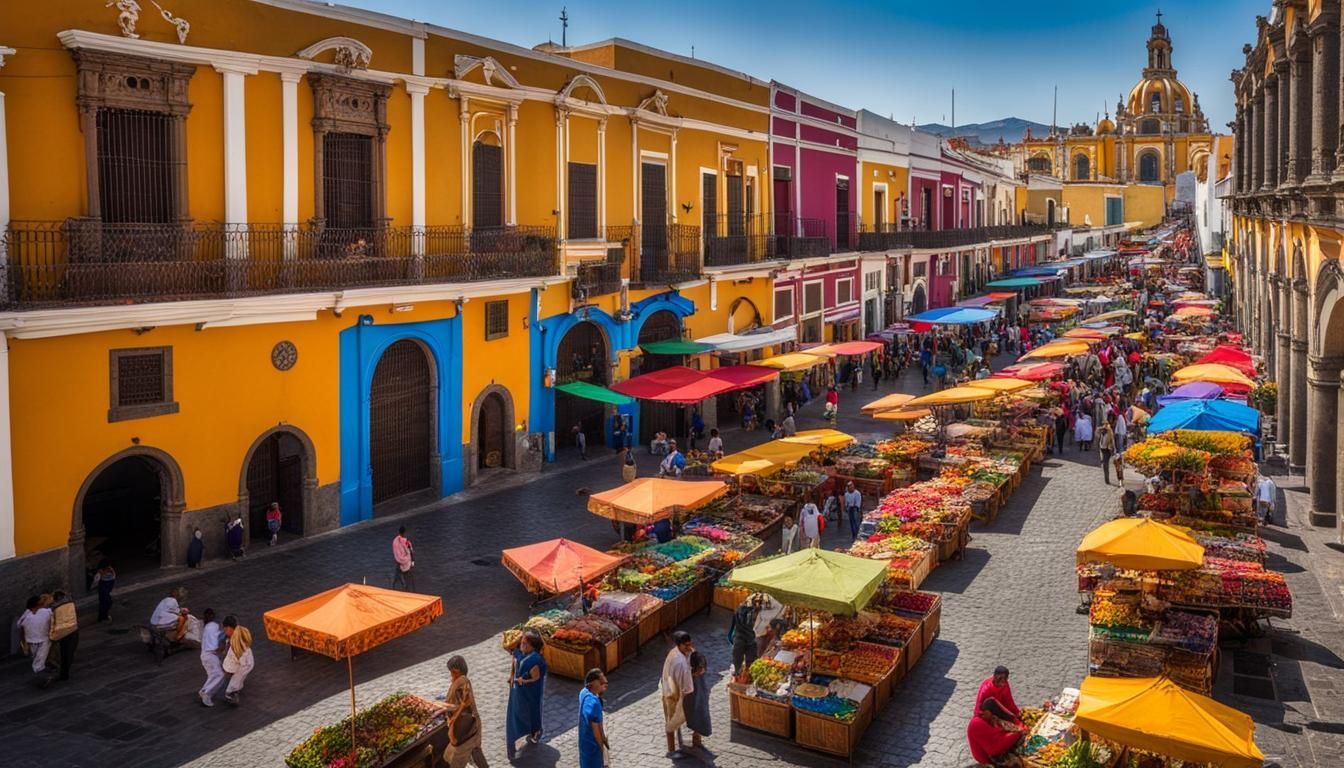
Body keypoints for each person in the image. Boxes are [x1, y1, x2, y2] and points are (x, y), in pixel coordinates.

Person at [505, 629, 547, 759]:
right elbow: (514, 662)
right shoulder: (518, 653)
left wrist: (523, 680)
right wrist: (511, 676)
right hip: (516, 692)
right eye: (522, 642)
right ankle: (512, 744)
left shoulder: (536, 660)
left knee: (531, 712)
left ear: (533, 646)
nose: (522, 645)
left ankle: (535, 731)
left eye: (525, 643)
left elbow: (535, 677)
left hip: (530, 692)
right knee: (514, 717)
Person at [443, 655, 488, 768]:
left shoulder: (462, 681)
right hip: (470, 724)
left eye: (452, 671)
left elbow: (465, 703)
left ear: (456, 670)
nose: (451, 674)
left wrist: (453, 718)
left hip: (466, 726)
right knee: (475, 750)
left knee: (458, 757)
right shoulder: (460, 681)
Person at [661, 631, 695, 756]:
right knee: (673, 721)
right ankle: (671, 750)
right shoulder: (681, 664)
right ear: (679, 645)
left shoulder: (673, 652)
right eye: (686, 645)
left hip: (667, 690)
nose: (689, 647)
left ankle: (672, 747)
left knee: (670, 718)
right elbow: (687, 688)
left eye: (689, 644)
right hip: (677, 695)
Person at [966, 697, 1025, 767]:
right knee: (1016, 763)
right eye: (994, 716)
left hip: (996, 749)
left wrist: (1019, 727)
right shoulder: (976, 724)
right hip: (989, 758)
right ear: (987, 712)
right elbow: (995, 748)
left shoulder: (987, 718)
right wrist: (1017, 733)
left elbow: (1008, 720)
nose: (996, 719)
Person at [17, 595, 53, 684]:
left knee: (39, 659)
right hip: (35, 640)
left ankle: (42, 674)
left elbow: (19, 624)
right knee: (38, 659)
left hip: (40, 640)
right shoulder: (44, 612)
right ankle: (42, 678)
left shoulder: (39, 612)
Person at [578, 669, 609, 768]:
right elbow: (595, 728)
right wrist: (602, 749)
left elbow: (599, 723)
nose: (605, 684)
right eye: (601, 682)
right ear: (593, 683)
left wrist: (604, 737)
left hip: (584, 743)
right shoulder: (594, 704)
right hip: (592, 747)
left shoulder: (584, 693)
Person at [221, 615, 253, 705]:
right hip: (246, 661)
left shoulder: (237, 642)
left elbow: (241, 658)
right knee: (237, 676)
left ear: (228, 628)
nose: (224, 631)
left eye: (225, 629)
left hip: (244, 663)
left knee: (236, 678)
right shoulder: (239, 633)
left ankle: (231, 693)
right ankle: (236, 688)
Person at [683, 651, 711, 750]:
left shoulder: (700, 677)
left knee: (700, 712)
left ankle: (697, 734)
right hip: (693, 694)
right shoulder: (690, 674)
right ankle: (696, 735)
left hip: (699, 692)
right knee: (697, 712)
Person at [48, 590, 78, 682]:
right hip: (73, 629)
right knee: (69, 651)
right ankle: (65, 671)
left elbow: (52, 622)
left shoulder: (53, 608)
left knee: (63, 651)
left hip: (61, 632)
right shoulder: (71, 603)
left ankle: (62, 672)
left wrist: (51, 635)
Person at [199, 608, 225, 707]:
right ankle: (207, 694)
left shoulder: (205, 627)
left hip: (204, 656)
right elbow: (216, 642)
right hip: (211, 655)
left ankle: (204, 690)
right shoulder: (213, 626)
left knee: (213, 675)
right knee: (219, 675)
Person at [728, 597, 760, 676]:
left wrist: (730, 636)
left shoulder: (738, 610)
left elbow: (733, 625)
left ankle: (738, 672)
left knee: (737, 657)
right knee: (750, 658)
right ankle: (748, 674)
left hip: (739, 637)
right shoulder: (753, 612)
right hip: (749, 638)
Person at [392, 526, 415, 591]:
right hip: (406, 563)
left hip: (398, 561)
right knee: (406, 575)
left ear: (399, 532)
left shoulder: (395, 541)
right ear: (404, 532)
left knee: (398, 573)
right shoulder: (406, 542)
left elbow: (395, 551)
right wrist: (412, 562)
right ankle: (405, 586)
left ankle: (395, 585)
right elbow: (411, 551)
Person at [1097, 419, 1116, 485]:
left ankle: (1107, 479)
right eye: (1103, 424)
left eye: (1105, 424)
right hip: (1102, 448)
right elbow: (1097, 431)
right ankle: (1106, 478)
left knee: (1106, 464)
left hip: (1107, 449)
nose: (1104, 426)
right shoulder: (1101, 431)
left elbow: (1112, 441)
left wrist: (1113, 449)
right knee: (1104, 464)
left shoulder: (1110, 431)